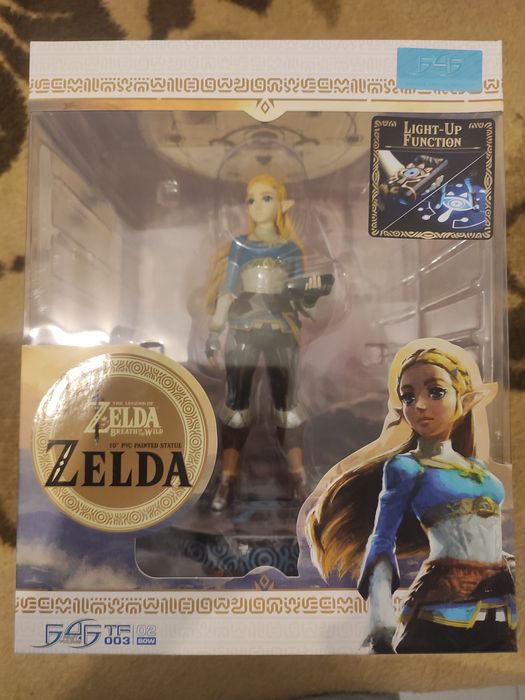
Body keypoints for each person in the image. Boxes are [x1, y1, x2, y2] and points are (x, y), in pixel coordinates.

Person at [306, 338, 516, 653]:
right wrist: (380, 621)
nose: (418, 405)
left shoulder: (478, 469)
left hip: (501, 607)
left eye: (436, 392)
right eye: (408, 396)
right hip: (441, 612)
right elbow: (382, 541)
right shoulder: (407, 467)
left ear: (465, 400)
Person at [206, 174, 332, 511]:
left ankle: (298, 476)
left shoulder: (291, 249)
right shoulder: (240, 246)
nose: (257, 206)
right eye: (251, 199)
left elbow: (304, 304)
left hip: (281, 330)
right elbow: (227, 290)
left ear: (282, 205)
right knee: (236, 406)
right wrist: (214, 331)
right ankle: (227, 479)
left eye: (266, 198)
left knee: (287, 406)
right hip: (244, 329)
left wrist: (311, 294)